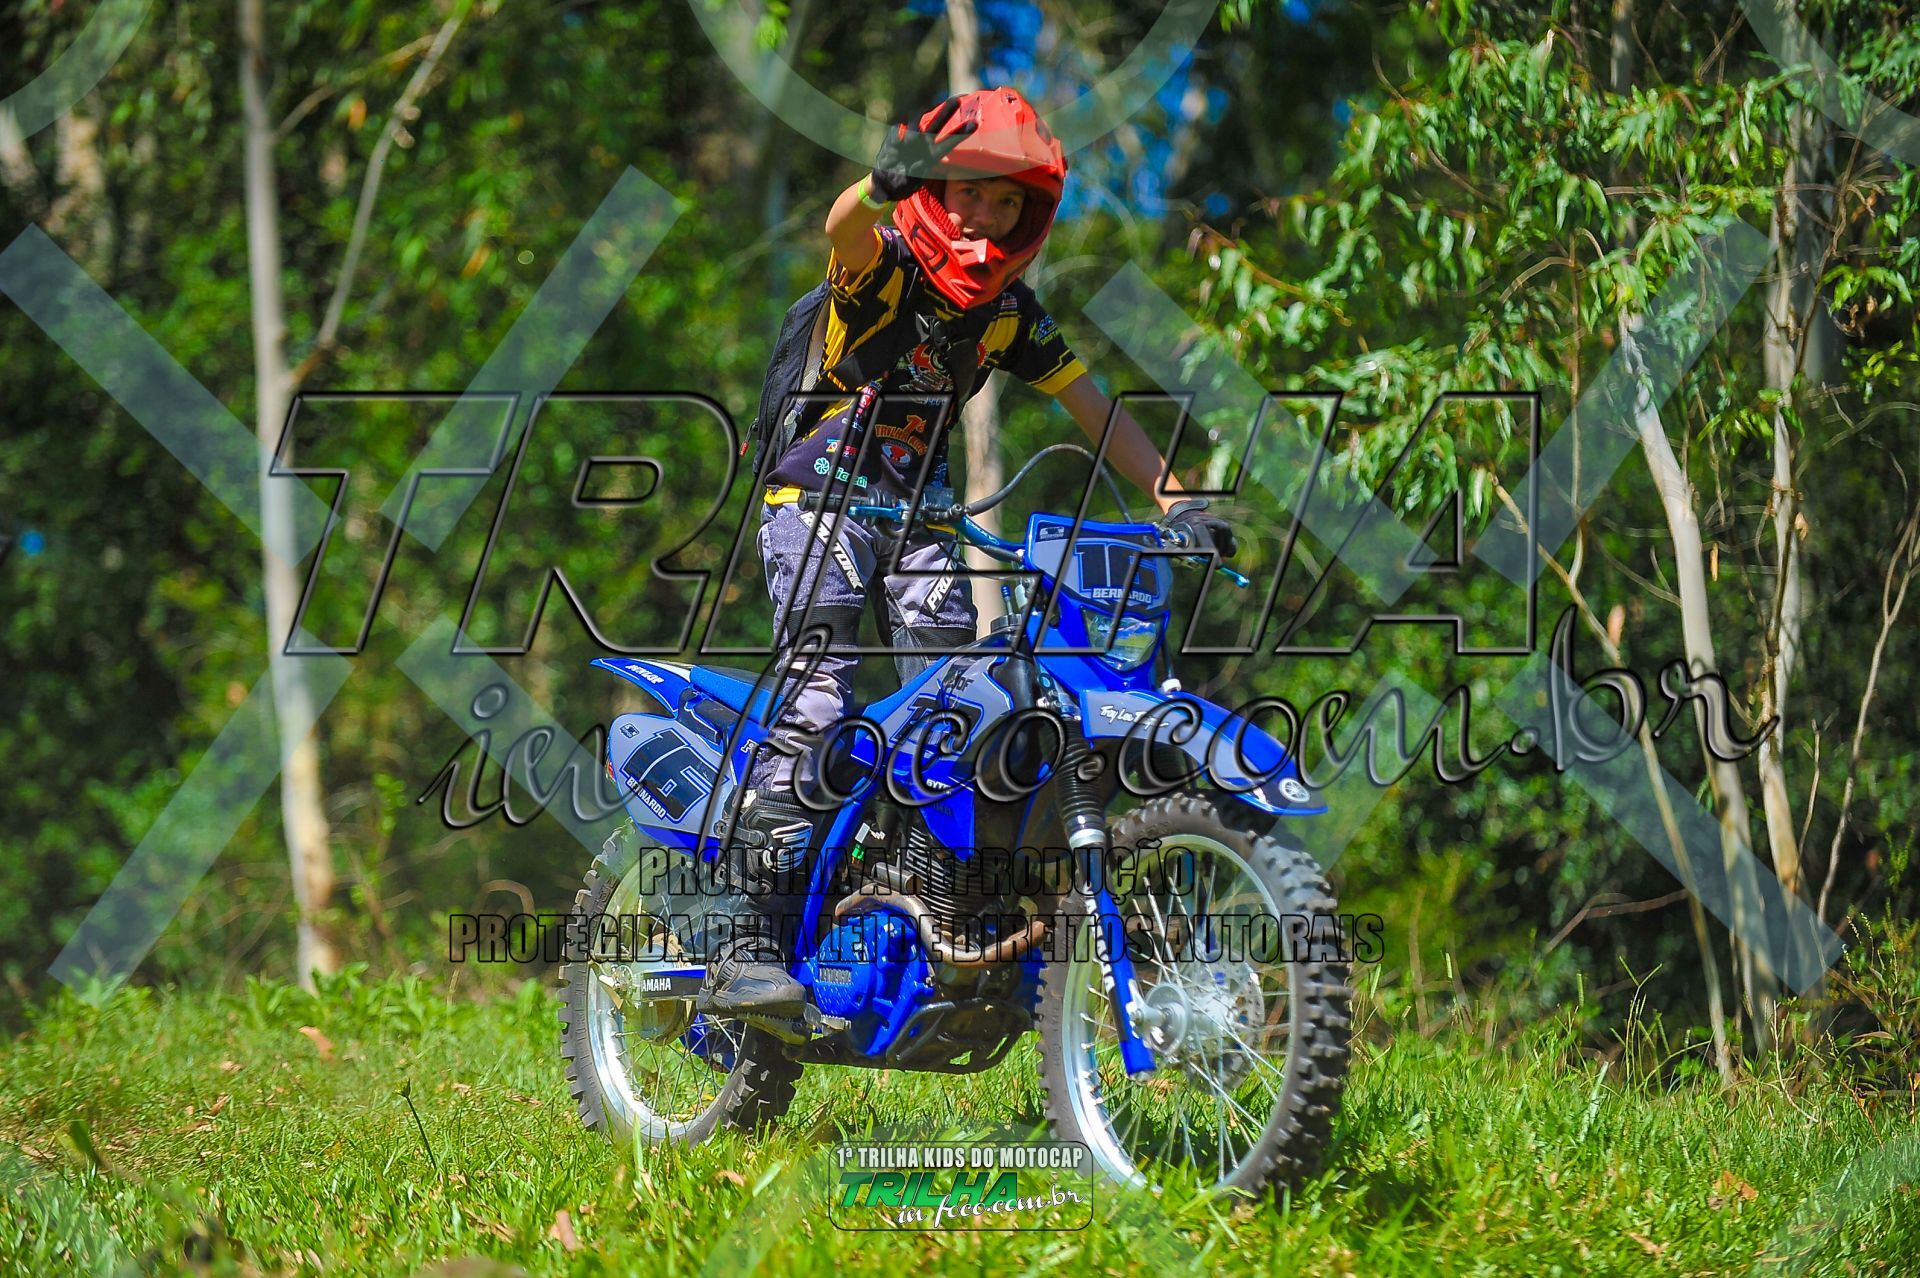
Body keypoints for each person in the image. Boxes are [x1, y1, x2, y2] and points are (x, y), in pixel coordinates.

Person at [700, 86, 1238, 1016]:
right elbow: (841, 231)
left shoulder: (1009, 315)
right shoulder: (888, 269)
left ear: (1031, 217)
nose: (983, 215)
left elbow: (1096, 410)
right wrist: (878, 186)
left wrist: (1178, 501)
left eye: (1005, 201)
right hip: (816, 500)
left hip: (920, 516)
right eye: (967, 192)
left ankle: (931, 902)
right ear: (933, 191)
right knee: (820, 693)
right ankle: (742, 938)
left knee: (962, 710)